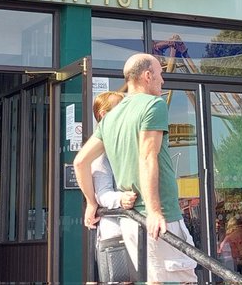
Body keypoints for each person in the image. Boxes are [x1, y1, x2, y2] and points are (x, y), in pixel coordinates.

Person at [75, 53, 198, 284]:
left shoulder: (111, 118)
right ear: (147, 76)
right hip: (160, 216)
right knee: (185, 279)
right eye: (160, 75)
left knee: (154, 279)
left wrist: (91, 203)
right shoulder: (154, 104)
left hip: (131, 221)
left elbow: (80, 162)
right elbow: (147, 155)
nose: (163, 82)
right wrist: (154, 211)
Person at [91, 91, 138, 283]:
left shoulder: (123, 146)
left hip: (133, 229)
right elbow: (102, 193)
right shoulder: (101, 153)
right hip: (117, 233)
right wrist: (121, 199)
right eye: (121, 109)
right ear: (104, 114)